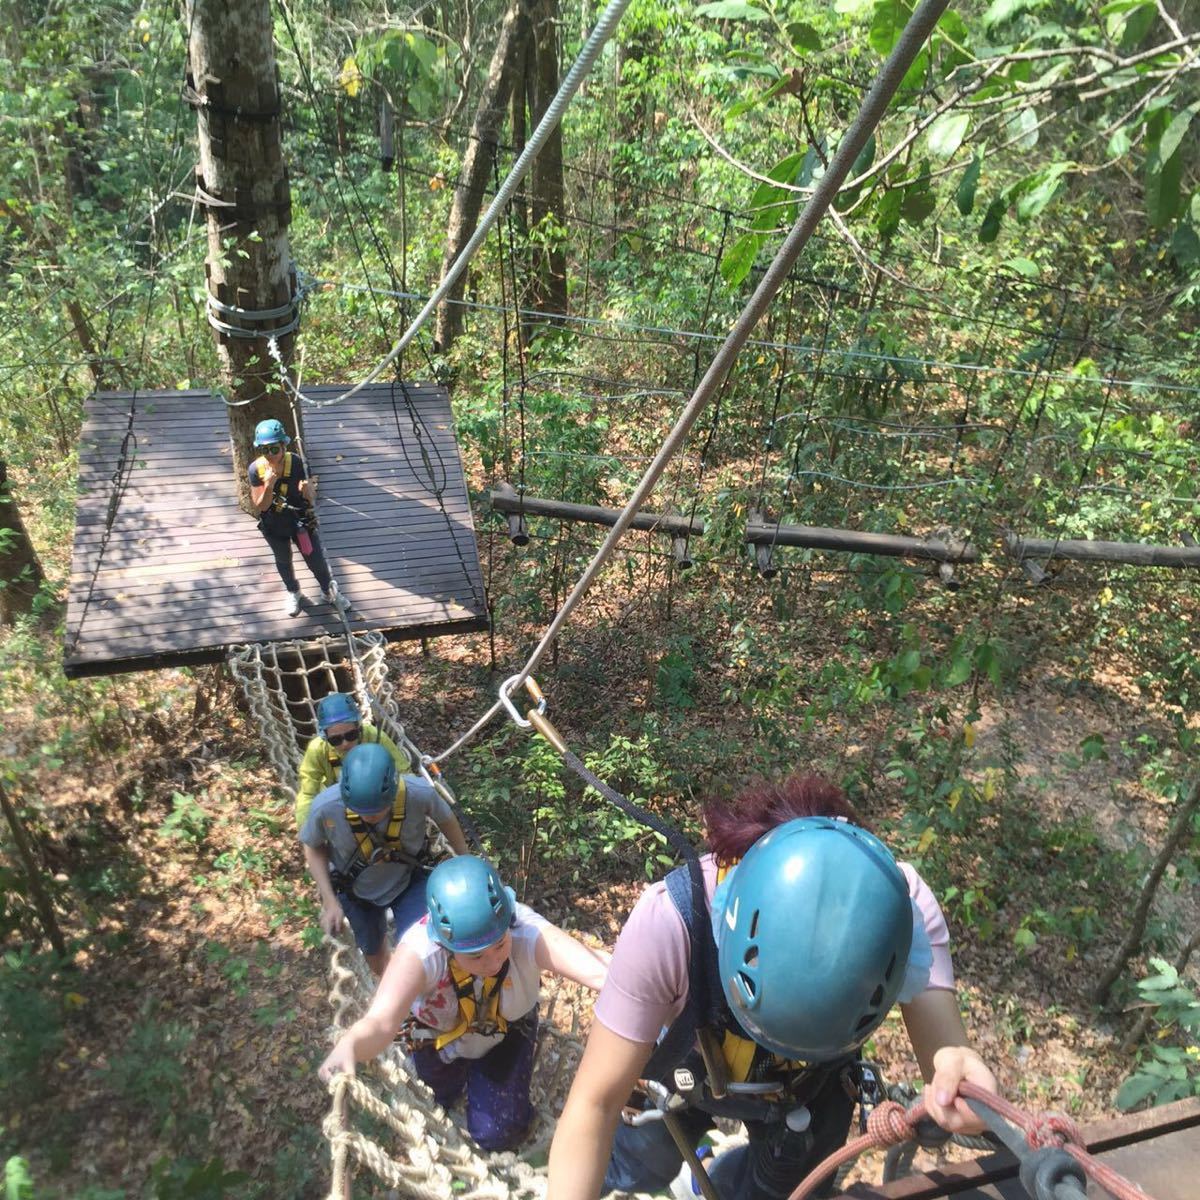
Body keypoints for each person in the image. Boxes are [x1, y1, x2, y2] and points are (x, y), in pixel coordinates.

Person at [547, 774, 999, 1200]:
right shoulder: (671, 924)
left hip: (806, 1089)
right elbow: (595, 1104)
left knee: (776, 1187)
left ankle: (712, 1182)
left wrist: (959, 1067)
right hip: (688, 1065)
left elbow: (946, 1053)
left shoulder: (904, 914)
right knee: (645, 1157)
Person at [319, 855, 609, 1151]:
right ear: (444, 944)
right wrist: (351, 1044)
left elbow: (598, 970)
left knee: (497, 1132)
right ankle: (451, 1095)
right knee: (439, 1094)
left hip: (506, 1030)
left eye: (499, 945)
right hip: (435, 1034)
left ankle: (508, 1121)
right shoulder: (420, 952)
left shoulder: (523, 929)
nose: (494, 962)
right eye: (476, 956)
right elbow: (381, 1021)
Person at [299, 741, 470, 976]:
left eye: (377, 810)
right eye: (361, 811)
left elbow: (447, 819)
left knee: (422, 946)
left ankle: (425, 996)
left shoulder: (418, 793)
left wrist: (465, 860)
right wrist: (329, 900)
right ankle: (394, 993)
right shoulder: (326, 808)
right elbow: (313, 846)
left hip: (408, 879)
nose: (369, 817)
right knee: (373, 950)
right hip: (355, 890)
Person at [247, 417, 349, 619]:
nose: (269, 455)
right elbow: (261, 505)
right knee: (283, 559)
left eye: (274, 449)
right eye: (264, 450)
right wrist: (268, 485)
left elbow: (310, 499)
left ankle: (328, 591)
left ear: (284, 446)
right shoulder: (256, 469)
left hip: (299, 519)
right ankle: (293, 591)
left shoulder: (297, 463)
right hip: (274, 523)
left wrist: (308, 491)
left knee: (315, 559)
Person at [294, 693, 411, 829]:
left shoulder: (375, 737)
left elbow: (404, 773)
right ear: (325, 737)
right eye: (335, 740)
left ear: (359, 727)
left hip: (379, 799)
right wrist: (305, 826)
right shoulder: (318, 749)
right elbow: (308, 793)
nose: (345, 744)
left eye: (351, 735)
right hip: (338, 804)